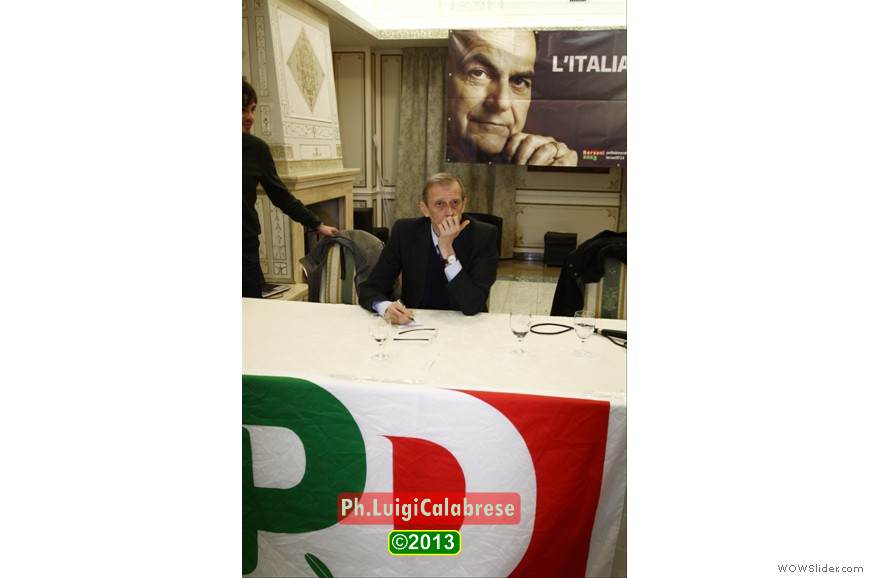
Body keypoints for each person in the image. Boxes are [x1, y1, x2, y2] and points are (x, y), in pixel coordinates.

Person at [358, 173, 498, 323]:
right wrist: (386, 308)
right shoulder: (405, 232)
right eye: (440, 204)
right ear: (425, 209)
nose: (450, 212)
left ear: (463, 204)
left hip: (466, 325)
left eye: (455, 203)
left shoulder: (483, 236)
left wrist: (448, 252)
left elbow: (473, 304)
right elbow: (370, 289)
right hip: (415, 324)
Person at [243, 78, 337, 298]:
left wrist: (317, 224)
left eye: (252, 109)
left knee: (251, 310)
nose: (249, 117)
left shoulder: (256, 149)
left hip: (244, 247)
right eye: (242, 109)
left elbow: (281, 195)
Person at [447, 29, 578, 166]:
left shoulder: (544, 161)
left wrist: (555, 172)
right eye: (478, 73)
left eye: (518, 81)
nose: (503, 103)